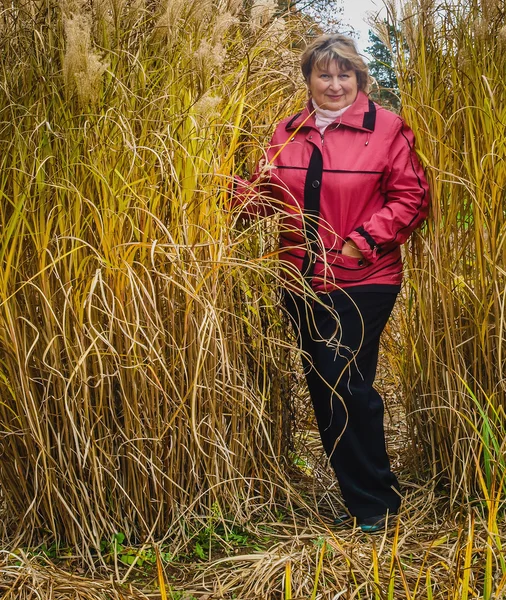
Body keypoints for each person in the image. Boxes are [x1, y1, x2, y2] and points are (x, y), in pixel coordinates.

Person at [231, 34, 430, 532]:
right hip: (299, 281)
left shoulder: (385, 130)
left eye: (345, 75)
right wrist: (217, 189)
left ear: (359, 79)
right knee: (327, 384)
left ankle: (374, 505)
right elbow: (263, 198)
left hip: (363, 278)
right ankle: (369, 496)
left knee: (343, 382)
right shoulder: (286, 132)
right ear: (309, 80)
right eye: (324, 74)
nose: (335, 84)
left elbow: (412, 198)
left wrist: (360, 242)